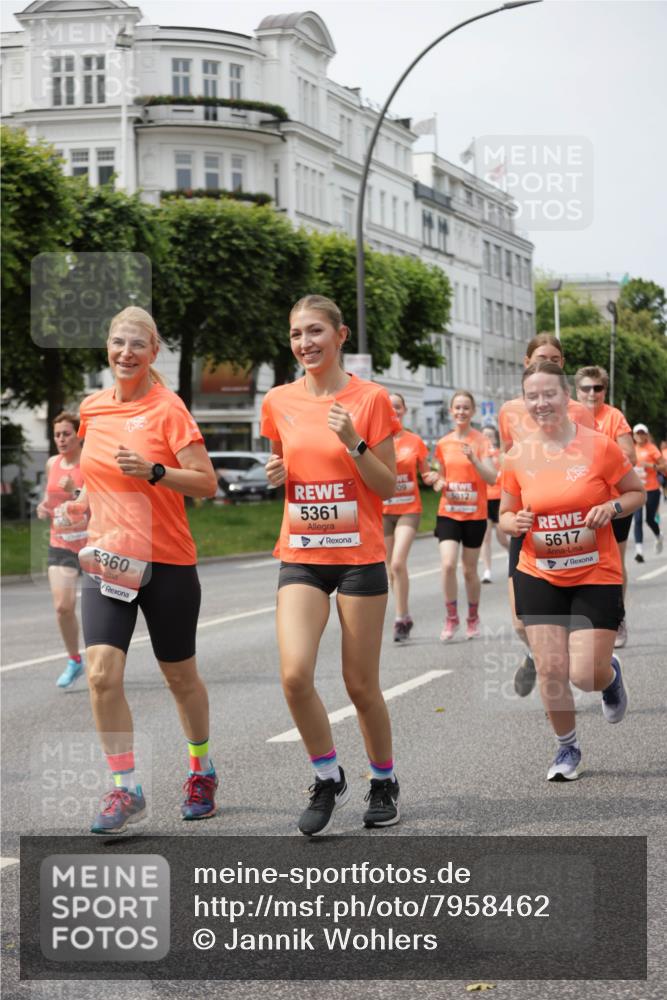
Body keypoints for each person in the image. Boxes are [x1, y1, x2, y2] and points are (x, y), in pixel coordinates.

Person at [59, 306, 218, 834]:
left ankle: (201, 769)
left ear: (153, 353)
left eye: (137, 345)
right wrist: (81, 503)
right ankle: (126, 788)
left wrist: (155, 471)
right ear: (107, 347)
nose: (126, 353)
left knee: (179, 676)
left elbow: (205, 482)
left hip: (167, 561)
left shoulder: (169, 409)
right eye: (117, 343)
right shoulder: (92, 409)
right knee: (102, 675)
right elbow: (93, 477)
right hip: (109, 560)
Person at [262, 294, 401, 836]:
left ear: (341, 336)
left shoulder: (371, 399)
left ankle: (383, 780)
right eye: (297, 334)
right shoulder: (278, 400)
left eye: (315, 331)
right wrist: (278, 474)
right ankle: (326, 776)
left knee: (360, 684)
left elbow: (386, 485)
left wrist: (354, 441)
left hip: (358, 557)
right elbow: (288, 466)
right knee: (295, 676)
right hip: (301, 554)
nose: (305, 343)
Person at [500, 362, 644, 782]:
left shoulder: (599, 447)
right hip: (538, 571)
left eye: (549, 394)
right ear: (524, 403)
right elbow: (506, 515)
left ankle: (610, 676)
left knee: (585, 674)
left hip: (594, 572)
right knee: (550, 669)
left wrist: (611, 507)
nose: (541, 403)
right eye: (533, 396)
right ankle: (567, 748)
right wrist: (514, 524)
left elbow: (635, 492)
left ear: (566, 398)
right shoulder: (517, 456)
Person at [498, 334, 595, 698]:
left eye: (556, 358)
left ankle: (565, 665)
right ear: (527, 363)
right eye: (542, 357)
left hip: (569, 524)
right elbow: (511, 463)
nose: (550, 362)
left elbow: (594, 465)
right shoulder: (510, 411)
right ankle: (535, 654)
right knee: (521, 620)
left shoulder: (580, 412)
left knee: (565, 617)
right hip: (527, 521)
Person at [574, 365, 636, 647]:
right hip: (582, 503)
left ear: (604, 390)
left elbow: (629, 456)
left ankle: (618, 618)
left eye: (597, 388)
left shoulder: (614, 418)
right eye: (586, 388)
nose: (591, 393)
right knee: (581, 561)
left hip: (614, 502)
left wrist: (600, 459)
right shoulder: (570, 417)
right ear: (577, 390)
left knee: (613, 562)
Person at [432, 391, 497, 641]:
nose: (461, 412)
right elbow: (441, 474)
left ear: (473, 411)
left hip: (474, 515)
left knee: (470, 571)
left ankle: (472, 617)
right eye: (457, 408)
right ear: (451, 411)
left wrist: (474, 459)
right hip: (448, 512)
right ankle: (451, 618)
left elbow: (492, 478)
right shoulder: (443, 443)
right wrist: (437, 480)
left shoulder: (481, 441)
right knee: (448, 565)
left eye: (466, 408)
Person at [36, 411, 88, 689]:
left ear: (79, 435)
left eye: (66, 433)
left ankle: (108, 659)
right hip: (62, 545)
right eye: (57, 434)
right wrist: (44, 506)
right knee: (62, 607)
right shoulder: (52, 463)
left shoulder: (90, 463)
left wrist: (76, 490)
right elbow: (49, 496)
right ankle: (74, 660)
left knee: (108, 609)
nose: (61, 439)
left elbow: (102, 502)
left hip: (93, 545)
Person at [382, 393, 436, 641]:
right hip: (382, 511)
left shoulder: (414, 441)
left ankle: (399, 618)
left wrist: (435, 478)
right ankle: (404, 616)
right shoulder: (375, 440)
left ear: (404, 410)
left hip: (408, 509)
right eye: (389, 407)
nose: (393, 411)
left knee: (397, 562)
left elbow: (426, 473)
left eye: (397, 407)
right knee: (390, 570)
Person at [631, 423, 665, 561]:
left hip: (652, 489)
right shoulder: (631, 450)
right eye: (637, 433)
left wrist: (651, 465)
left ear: (646, 435)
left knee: (649, 519)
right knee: (637, 519)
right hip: (637, 490)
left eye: (642, 433)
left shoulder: (652, 449)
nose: (640, 436)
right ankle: (639, 552)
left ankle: (659, 536)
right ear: (633, 436)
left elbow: (664, 466)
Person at [480, 424, 508, 584]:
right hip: (484, 499)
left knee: (502, 536)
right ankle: (487, 570)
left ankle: (511, 552)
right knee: (486, 537)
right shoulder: (478, 455)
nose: (487, 439)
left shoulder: (499, 455)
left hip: (499, 498)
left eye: (490, 436)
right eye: (484, 435)